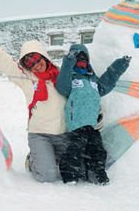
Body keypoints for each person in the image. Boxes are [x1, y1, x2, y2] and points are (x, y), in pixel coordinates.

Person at [0, 22, 67, 182]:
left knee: (71, 171)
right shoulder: (25, 79)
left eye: (36, 59)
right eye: (30, 63)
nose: (36, 65)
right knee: (47, 176)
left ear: (44, 56)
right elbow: (3, 60)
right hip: (40, 134)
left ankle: (49, 156)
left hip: (64, 134)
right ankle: (34, 159)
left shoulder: (62, 76)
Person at [55, 44, 130, 185]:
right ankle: (70, 176)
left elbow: (108, 80)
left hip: (92, 125)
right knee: (74, 150)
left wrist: (120, 64)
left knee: (98, 150)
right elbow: (61, 87)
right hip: (76, 124)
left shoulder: (93, 80)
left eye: (84, 58)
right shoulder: (71, 78)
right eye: (78, 58)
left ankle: (98, 174)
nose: (82, 61)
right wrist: (68, 62)